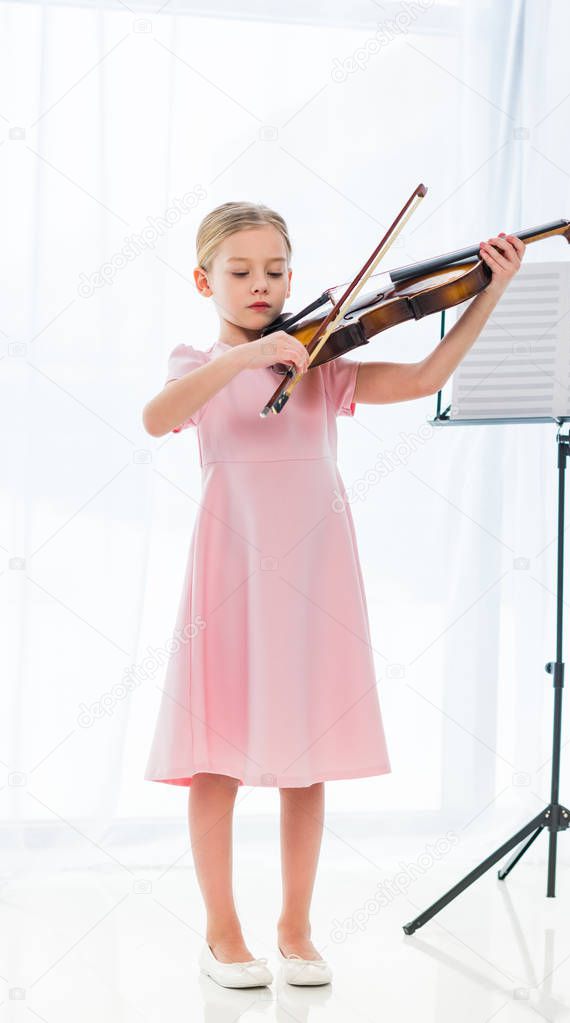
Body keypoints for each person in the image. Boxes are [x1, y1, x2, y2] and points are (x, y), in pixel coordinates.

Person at [142, 200, 525, 988]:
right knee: (215, 753)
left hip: (313, 566)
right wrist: (244, 360)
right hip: (230, 566)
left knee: (304, 754)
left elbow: (423, 376)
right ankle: (221, 931)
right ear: (202, 279)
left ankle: (296, 926)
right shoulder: (198, 364)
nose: (261, 285)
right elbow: (157, 419)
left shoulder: (319, 365)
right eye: (241, 271)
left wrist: (488, 289)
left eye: (276, 271)